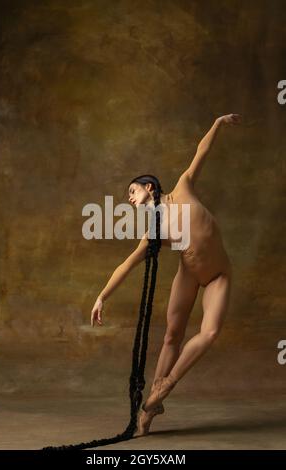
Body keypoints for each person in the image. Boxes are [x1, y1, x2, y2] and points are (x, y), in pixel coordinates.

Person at [91, 113, 241, 437]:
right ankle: (147, 415)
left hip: (219, 275)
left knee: (210, 333)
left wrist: (216, 123)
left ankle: (163, 388)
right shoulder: (154, 232)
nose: (129, 198)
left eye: (132, 191)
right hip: (188, 276)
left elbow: (201, 153)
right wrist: (102, 296)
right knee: (172, 336)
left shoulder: (183, 188)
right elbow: (126, 265)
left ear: (149, 187)